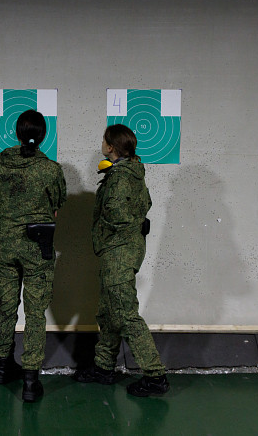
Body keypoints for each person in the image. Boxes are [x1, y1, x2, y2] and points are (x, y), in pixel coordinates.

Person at [74, 124, 170, 397]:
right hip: (124, 250)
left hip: (118, 252)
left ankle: (155, 375)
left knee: (126, 314)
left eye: (104, 141)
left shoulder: (119, 177)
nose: (102, 144)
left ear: (111, 147)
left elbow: (116, 214)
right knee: (108, 311)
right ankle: (104, 367)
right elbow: (145, 205)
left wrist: (106, 234)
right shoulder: (134, 172)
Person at [0, 109, 67, 402]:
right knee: (35, 312)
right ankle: (31, 381)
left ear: (17, 134)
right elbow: (58, 203)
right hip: (37, 246)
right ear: (43, 136)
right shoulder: (50, 169)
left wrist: (11, 215)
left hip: (5, 243)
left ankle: (3, 368)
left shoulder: (2, 162)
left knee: (6, 306)